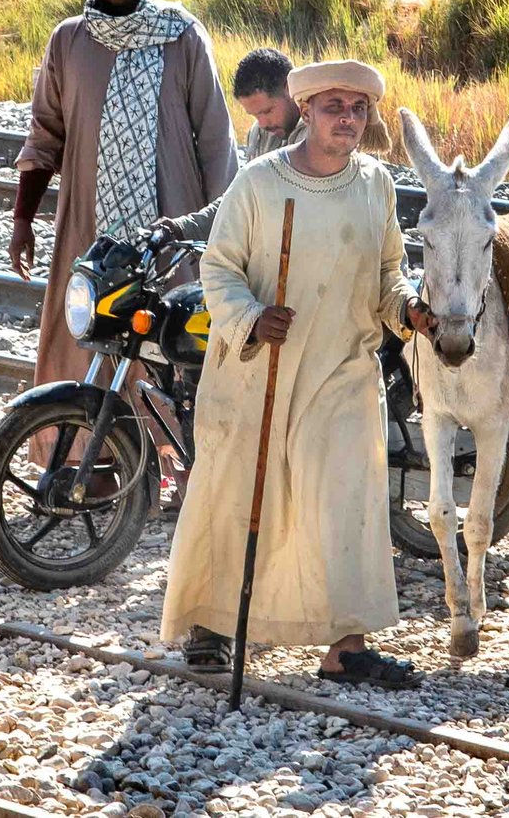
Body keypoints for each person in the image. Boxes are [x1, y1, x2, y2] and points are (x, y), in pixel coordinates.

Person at [158, 58, 439, 690]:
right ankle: (211, 623)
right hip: (260, 371)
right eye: (334, 106)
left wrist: (407, 308)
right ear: (305, 112)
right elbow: (219, 267)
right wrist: (254, 318)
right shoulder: (260, 184)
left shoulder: (375, 184)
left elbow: (387, 271)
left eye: (359, 109)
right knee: (234, 496)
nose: (348, 118)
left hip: (340, 369)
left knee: (346, 502)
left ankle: (346, 647)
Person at [10, 0, 239, 390]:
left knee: (171, 343)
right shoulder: (68, 42)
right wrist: (22, 220)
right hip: (88, 231)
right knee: (87, 334)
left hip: (171, 233)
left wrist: (228, 230)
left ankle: (170, 454)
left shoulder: (182, 34)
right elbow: (44, 139)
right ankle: (87, 452)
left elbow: (217, 140)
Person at [154, 47, 303, 246]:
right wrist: (179, 228)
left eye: (267, 111)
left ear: (289, 88)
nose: (263, 123)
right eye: (255, 115)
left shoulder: (318, 137)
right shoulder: (259, 133)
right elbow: (241, 197)